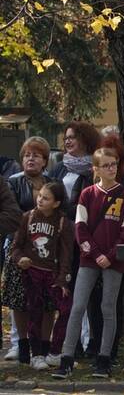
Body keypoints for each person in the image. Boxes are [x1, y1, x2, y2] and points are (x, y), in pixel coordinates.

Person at [51, 147, 124, 379]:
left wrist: (110, 255)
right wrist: (96, 253)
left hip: (114, 260)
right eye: (106, 165)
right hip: (90, 259)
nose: (112, 168)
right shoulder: (87, 193)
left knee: (108, 308)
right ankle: (66, 358)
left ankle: (104, 359)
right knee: (78, 307)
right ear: (95, 169)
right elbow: (80, 228)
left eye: (114, 164)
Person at [11, 183, 73, 371]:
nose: (40, 200)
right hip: (32, 273)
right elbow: (16, 246)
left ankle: (54, 352)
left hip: (53, 275)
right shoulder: (27, 217)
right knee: (34, 312)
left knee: (65, 309)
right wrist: (20, 258)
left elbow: (66, 254)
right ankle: (36, 354)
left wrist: (62, 279)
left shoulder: (62, 222)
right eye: (40, 196)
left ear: (56, 203)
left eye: (46, 198)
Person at [4, 138, 54, 365]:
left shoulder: (53, 183)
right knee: (19, 297)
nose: (30, 159)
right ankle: (21, 346)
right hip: (18, 245)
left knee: (46, 299)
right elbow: (11, 215)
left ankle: (43, 347)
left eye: (36, 155)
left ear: (45, 160)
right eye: (26, 155)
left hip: (46, 248)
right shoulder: (12, 182)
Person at [47, 122, 100, 223]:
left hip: (88, 224)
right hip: (60, 223)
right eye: (66, 138)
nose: (67, 142)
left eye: (71, 137)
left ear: (85, 139)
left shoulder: (98, 166)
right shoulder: (59, 167)